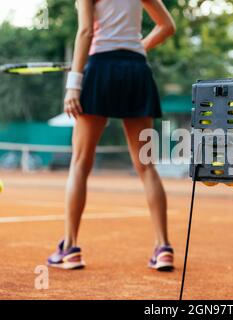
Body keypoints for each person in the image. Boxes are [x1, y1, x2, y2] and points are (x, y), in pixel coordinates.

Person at [47, 0, 176, 272]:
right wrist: (139, 47)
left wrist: (73, 84)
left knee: (80, 163)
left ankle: (69, 248)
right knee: (147, 165)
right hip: (136, 70)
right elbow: (167, 26)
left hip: (101, 69)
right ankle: (163, 248)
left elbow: (85, 33)